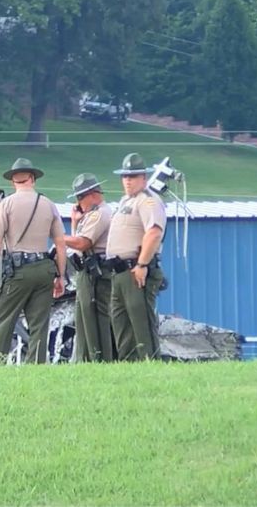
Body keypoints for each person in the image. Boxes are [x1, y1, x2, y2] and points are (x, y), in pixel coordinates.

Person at [0, 158, 67, 363]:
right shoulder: (48, 205)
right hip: (44, 269)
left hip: (18, 271)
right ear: (32, 179)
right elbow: (60, 244)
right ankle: (36, 367)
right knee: (39, 323)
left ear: (14, 180)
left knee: (4, 320)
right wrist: (61, 276)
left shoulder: (6, 205)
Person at [105, 153, 167, 361]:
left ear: (144, 178)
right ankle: (129, 363)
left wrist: (142, 263)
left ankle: (149, 361)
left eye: (133, 176)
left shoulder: (148, 201)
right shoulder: (125, 201)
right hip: (119, 271)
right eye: (125, 176)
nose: (128, 181)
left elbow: (154, 232)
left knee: (141, 323)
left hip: (136, 269)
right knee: (122, 322)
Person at [64, 173, 114, 362]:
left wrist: (57, 236)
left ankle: (97, 358)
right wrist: (76, 222)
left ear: (92, 194)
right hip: (85, 270)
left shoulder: (100, 214)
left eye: (80, 198)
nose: (79, 203)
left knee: (93, 318)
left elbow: (82, 243)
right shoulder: (91, 215)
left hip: (96, 273)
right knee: (84, 318)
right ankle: (86, 358)